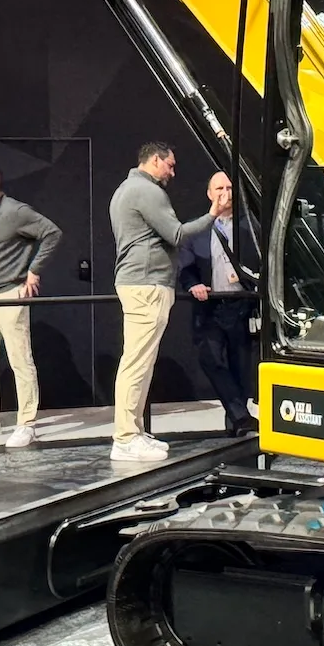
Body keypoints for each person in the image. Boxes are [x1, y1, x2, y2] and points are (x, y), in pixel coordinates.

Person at [108, 141, 218, 463]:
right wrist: (213, 213)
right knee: (136, 363)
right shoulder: (148, 191)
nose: (172, 172)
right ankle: (126, 438)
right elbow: (179, 235)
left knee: (140, 362)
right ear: (155, 160)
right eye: (169, 165)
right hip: (146, 284)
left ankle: (134, 433)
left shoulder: (125, 189)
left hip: (139, 282)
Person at [0, 162, 62, 449]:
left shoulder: (17, 212)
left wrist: (34, 270)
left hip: (10, 294)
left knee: (20, 361)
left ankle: (26, 424)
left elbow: (52, 233)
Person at [178, 170, 259, 437]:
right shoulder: (197, 228)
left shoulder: (252, 227)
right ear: (209, 194)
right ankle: (241, 416)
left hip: (241, 303)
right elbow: (185, 265)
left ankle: (236, 422)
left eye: (229, 187)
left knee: (240, 364)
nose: (225, 193)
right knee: (210, 359)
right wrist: (192, 285)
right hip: (209, 305)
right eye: (219, 188)